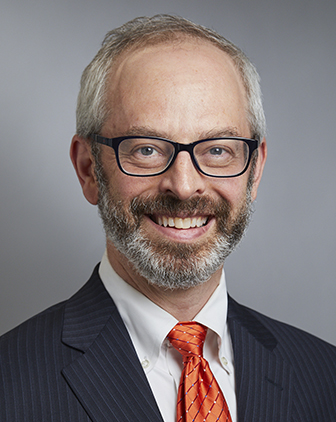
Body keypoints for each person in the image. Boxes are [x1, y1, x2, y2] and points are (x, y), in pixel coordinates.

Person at [1, 14, 335, 422]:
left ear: (255, 169)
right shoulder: (9, 385)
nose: (184, 185)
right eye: (146, 149)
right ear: (89, 169)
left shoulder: (325, 376)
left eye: (217, 149)